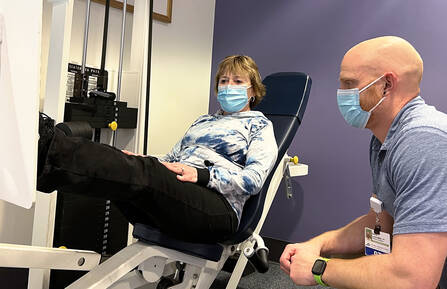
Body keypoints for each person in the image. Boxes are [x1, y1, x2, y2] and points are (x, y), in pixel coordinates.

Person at [37, 55, 278, 243]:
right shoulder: (204, 121)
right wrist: (144, 159)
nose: (228, 87)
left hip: (219, 208)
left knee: (146, 171)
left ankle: (50, 148)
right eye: (224, 81)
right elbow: (172, 158)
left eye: (237, 81)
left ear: (253, 91)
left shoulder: (259, 126)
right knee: (129, 163)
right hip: (181, 193)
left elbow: (254, 179)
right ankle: (50, 156)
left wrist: (202, 175)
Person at [280, 36, 447, 289]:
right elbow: (380, 220)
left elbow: (413, 278)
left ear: (386, 85)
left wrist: (319, 269)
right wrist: (320, 244)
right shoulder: (384, 138)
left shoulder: (421, 140)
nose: (342, 93)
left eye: (350, 83)